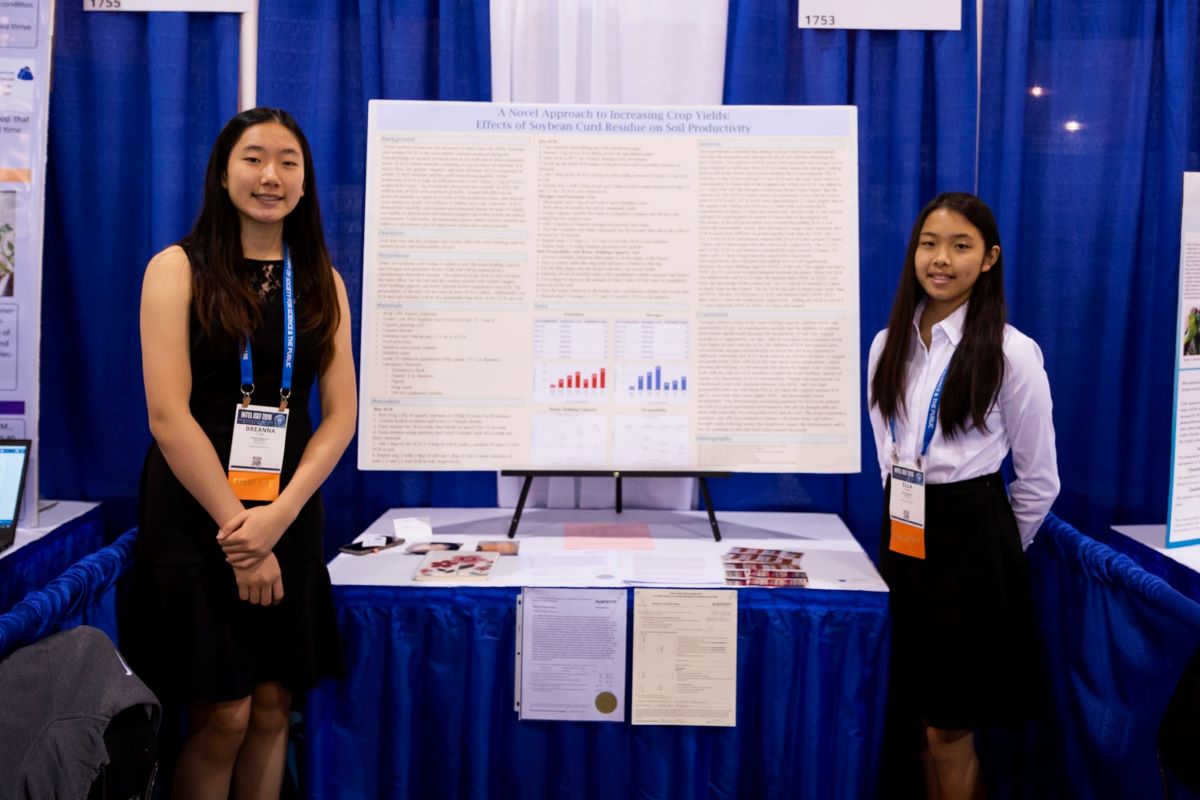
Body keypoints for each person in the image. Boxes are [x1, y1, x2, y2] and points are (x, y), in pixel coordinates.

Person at [129, 107, 356, 798]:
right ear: (223, 174)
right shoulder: (177, 269)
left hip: (286, 515)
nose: (271, 175)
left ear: (306, 181)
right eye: (254, 157)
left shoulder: (322, 279)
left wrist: (277, 520)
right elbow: (169, 417)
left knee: (270, 709)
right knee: (221, 715)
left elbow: (340, 417)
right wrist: (243, 534)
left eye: (289, 161)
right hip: (199, 520)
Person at [867, 192, 1059, 800]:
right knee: (914, 720)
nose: (941, 259)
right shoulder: (885, 344)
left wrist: (993, 554)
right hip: (904, 531)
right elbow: (886, 452)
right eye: (929, 243)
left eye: (960, 246)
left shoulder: (1010, 352)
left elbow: (1038, 481)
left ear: (989, 258)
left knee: (949, 730)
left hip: (973, 546)